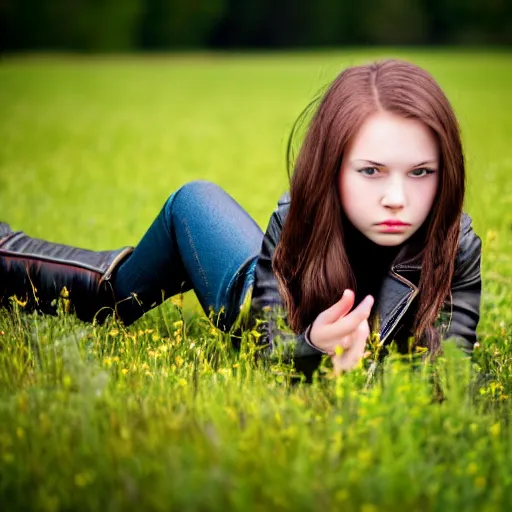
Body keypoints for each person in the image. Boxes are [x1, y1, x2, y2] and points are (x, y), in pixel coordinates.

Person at [0, 59, 482, 379]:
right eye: (371, 171)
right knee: (117, 298)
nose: (396, 198)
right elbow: (268, 347)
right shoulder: (298, 217)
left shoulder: (455, 244)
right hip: (242, 287)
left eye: (420, 172)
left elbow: (453, 372)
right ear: (333, 168)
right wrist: (311, 345)